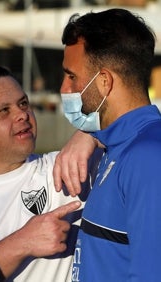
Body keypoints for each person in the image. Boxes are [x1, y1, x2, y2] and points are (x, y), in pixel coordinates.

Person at [0, 63, 101, 282]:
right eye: (4, 110)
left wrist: (92, 132)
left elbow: (139, 126)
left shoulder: (68, 164)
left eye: (23, 103)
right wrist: (24, 242)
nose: (22, 115)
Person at [54, 8, 161, 281]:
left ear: (104, 81)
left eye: (72, 76)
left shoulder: (147, 157)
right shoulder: (120, 145)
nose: (65, 88)